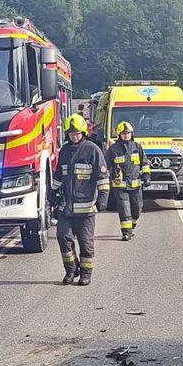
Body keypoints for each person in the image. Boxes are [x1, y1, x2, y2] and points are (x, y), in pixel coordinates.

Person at [53, 114, 110, 286]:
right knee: (63, 237)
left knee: (86, 245)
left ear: (83, 132)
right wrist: (52, 192)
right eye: (71, 134)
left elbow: (102, 177)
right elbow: (58, 176)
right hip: (66, 209)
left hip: (86, 211)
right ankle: (71, 269)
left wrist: (103, 198)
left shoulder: (92, 150)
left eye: (77, 133)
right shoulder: (64, 151)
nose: (74, 136)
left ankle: (86, 273)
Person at [105, 121, 149, 240]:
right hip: (120, 186)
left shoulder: (137, 147)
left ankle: (131, 226)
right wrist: (105, 179)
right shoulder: (113, 149)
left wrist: (146, 175)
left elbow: (144, 162)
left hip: (136, 186)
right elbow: (105, 165)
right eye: (124, 133)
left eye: (128, 133)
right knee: (124, 209)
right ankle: (126, 232)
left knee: (137, 209)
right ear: (119, 134)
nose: (126, 135)